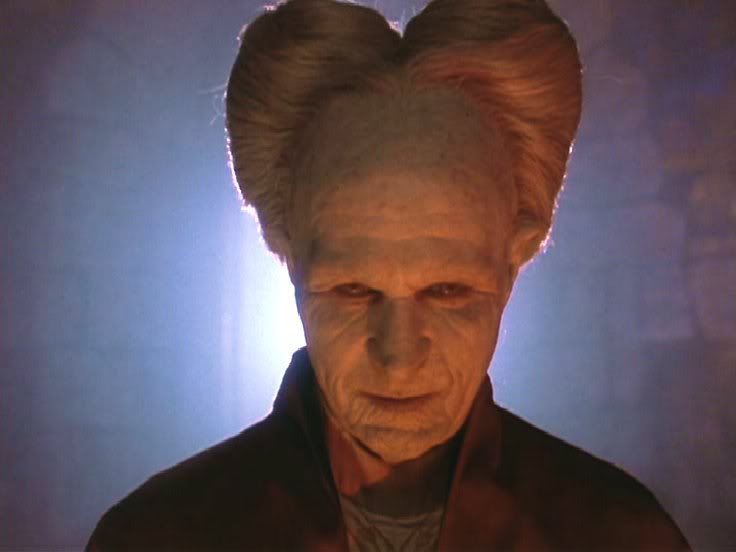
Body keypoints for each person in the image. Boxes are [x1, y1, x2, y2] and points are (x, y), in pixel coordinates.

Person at [87, 0, 691, 549]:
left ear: (517, 256)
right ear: (286, 251)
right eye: (352, 291)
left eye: (448, 291)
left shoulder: (620, 539)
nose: (399, 357)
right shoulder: (156, 540)